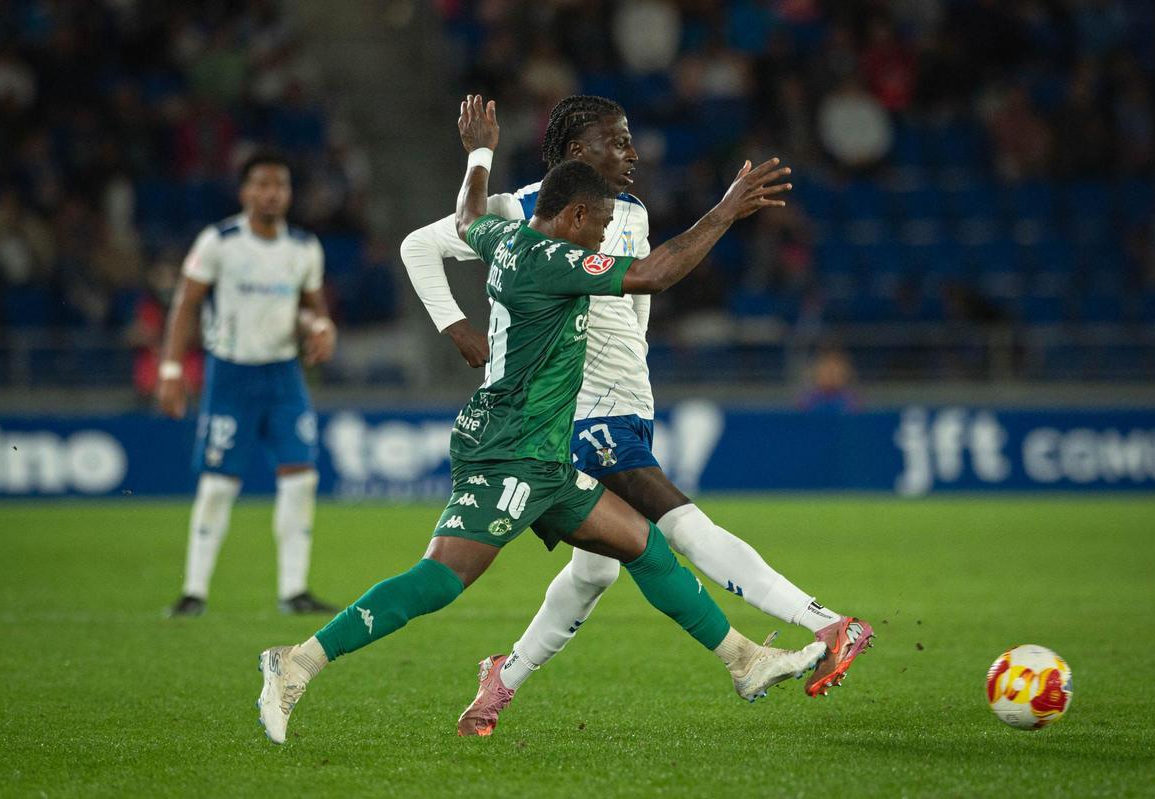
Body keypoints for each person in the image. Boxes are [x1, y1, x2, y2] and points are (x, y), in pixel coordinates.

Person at [255, 95, 826, 745]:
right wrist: (726, 210)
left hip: (545, 451)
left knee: (640, 544)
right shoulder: (552, 263)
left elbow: (469, 214)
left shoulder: (505, 233)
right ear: (576, 214)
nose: (604, 234)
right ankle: (296, 661)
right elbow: (656, 273)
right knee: (440, 579)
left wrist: (479, 152)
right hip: (511, 448)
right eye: (601, 224)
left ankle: (745, 660)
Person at [400, 94, 874, 737]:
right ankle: (823, 622)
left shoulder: (630, 211)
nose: (633, 153)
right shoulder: (525, 208)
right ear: (575, 153)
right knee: (676, 519)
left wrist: (636, 367)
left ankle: (500, 682)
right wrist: (457, 326)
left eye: (630, 141)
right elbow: (420, 246)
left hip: (627, 398)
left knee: (595, 568)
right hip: (580, 408)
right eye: (616, 142)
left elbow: (634, 305)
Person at [158, 150, 339, 617]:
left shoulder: (303, 246)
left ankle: (294, 590)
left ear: (289, 193)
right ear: (245, 192)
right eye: (261, 184)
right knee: (219, 485)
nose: (271, 192)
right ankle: (194, 591)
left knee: (301, 479)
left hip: (283, 376)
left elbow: (312, 308)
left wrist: (321, 327)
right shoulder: (220, 242)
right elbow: (186, 303)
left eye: (280, 184)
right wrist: (172, 369)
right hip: (230, 374)